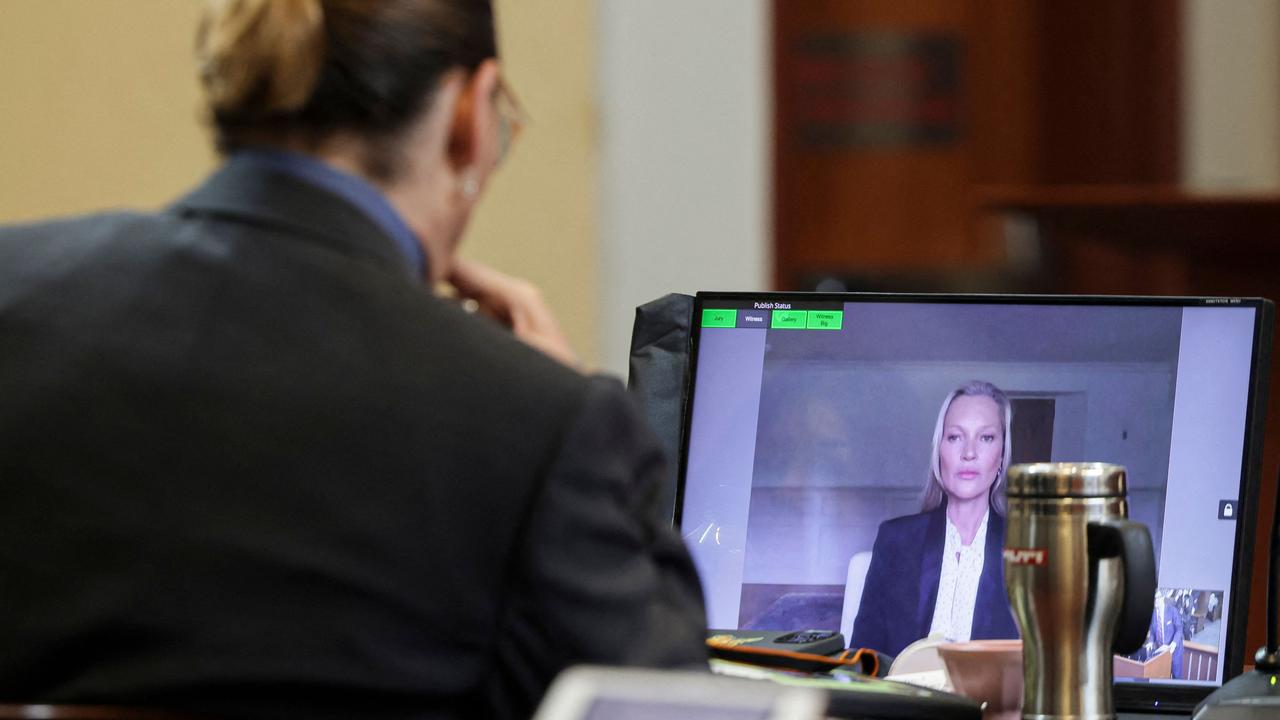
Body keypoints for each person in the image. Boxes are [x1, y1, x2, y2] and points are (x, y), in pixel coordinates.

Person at [0, 1, 706, 718]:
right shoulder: (534, 427)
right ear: (470, 114)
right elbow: (664, 702)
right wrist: (578, 416)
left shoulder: (13, 296)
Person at [849, 380, 1020, 657]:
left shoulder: (1027, 550)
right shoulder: (897, 541)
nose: (969, 453)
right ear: (939, 450)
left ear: (1001, 455)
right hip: (905, 698)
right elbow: (864, 656)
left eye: (986, 437)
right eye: (955, 437)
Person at [1150, 589, 1186, 679]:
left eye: (1157, 598)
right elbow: (1152, 630)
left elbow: (1179, 628)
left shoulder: (1172, 610)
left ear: (1162, 598)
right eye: (1153, 599)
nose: (1155, 601)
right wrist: (1151, 641)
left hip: (1174, 649)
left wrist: (1173, 644)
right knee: (1162, 675)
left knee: (1176, 677)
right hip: (1161, 650)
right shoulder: (1153, 613)